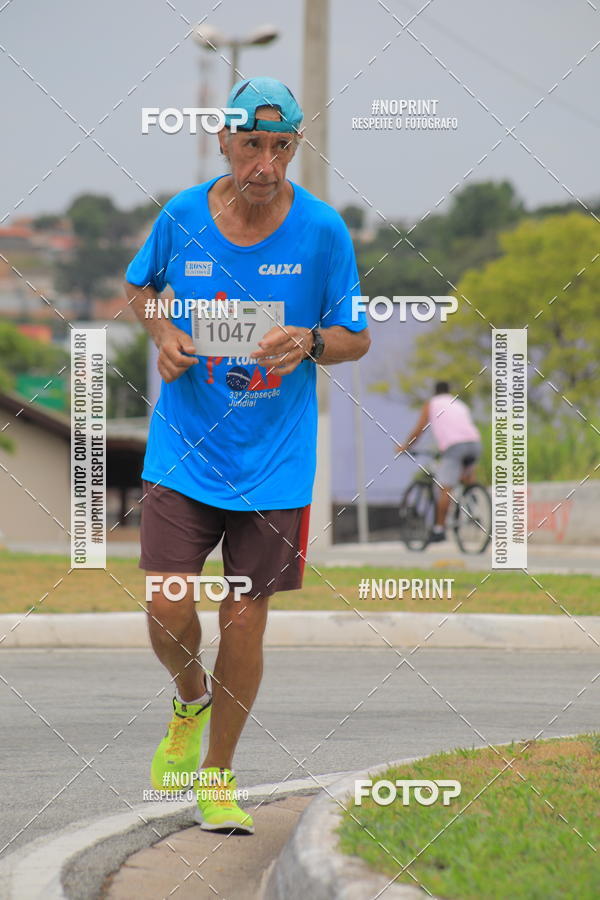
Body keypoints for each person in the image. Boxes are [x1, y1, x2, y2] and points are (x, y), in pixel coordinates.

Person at [124, 76, 370, 834]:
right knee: (167, 608)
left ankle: (219, 776)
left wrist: (313, 341)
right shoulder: (183, 216)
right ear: (224, 140)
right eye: (252, 144)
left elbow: (358, 336)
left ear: (295, 146)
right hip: (184, 452)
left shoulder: (324, 231)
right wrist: (163, 334)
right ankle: (189, 699)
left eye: (282, 146)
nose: (266, 163)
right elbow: (141, 290)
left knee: (245, 619)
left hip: (276, 459)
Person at [396, 380, 481, 542]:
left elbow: (420, 428)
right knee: (465, 474)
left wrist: (406, 446)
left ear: (435, 392)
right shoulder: (460, 404)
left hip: (454, 446)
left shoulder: (432, 404)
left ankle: (439, 529)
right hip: (475, 443)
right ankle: (473, 502)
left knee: (445, 487)